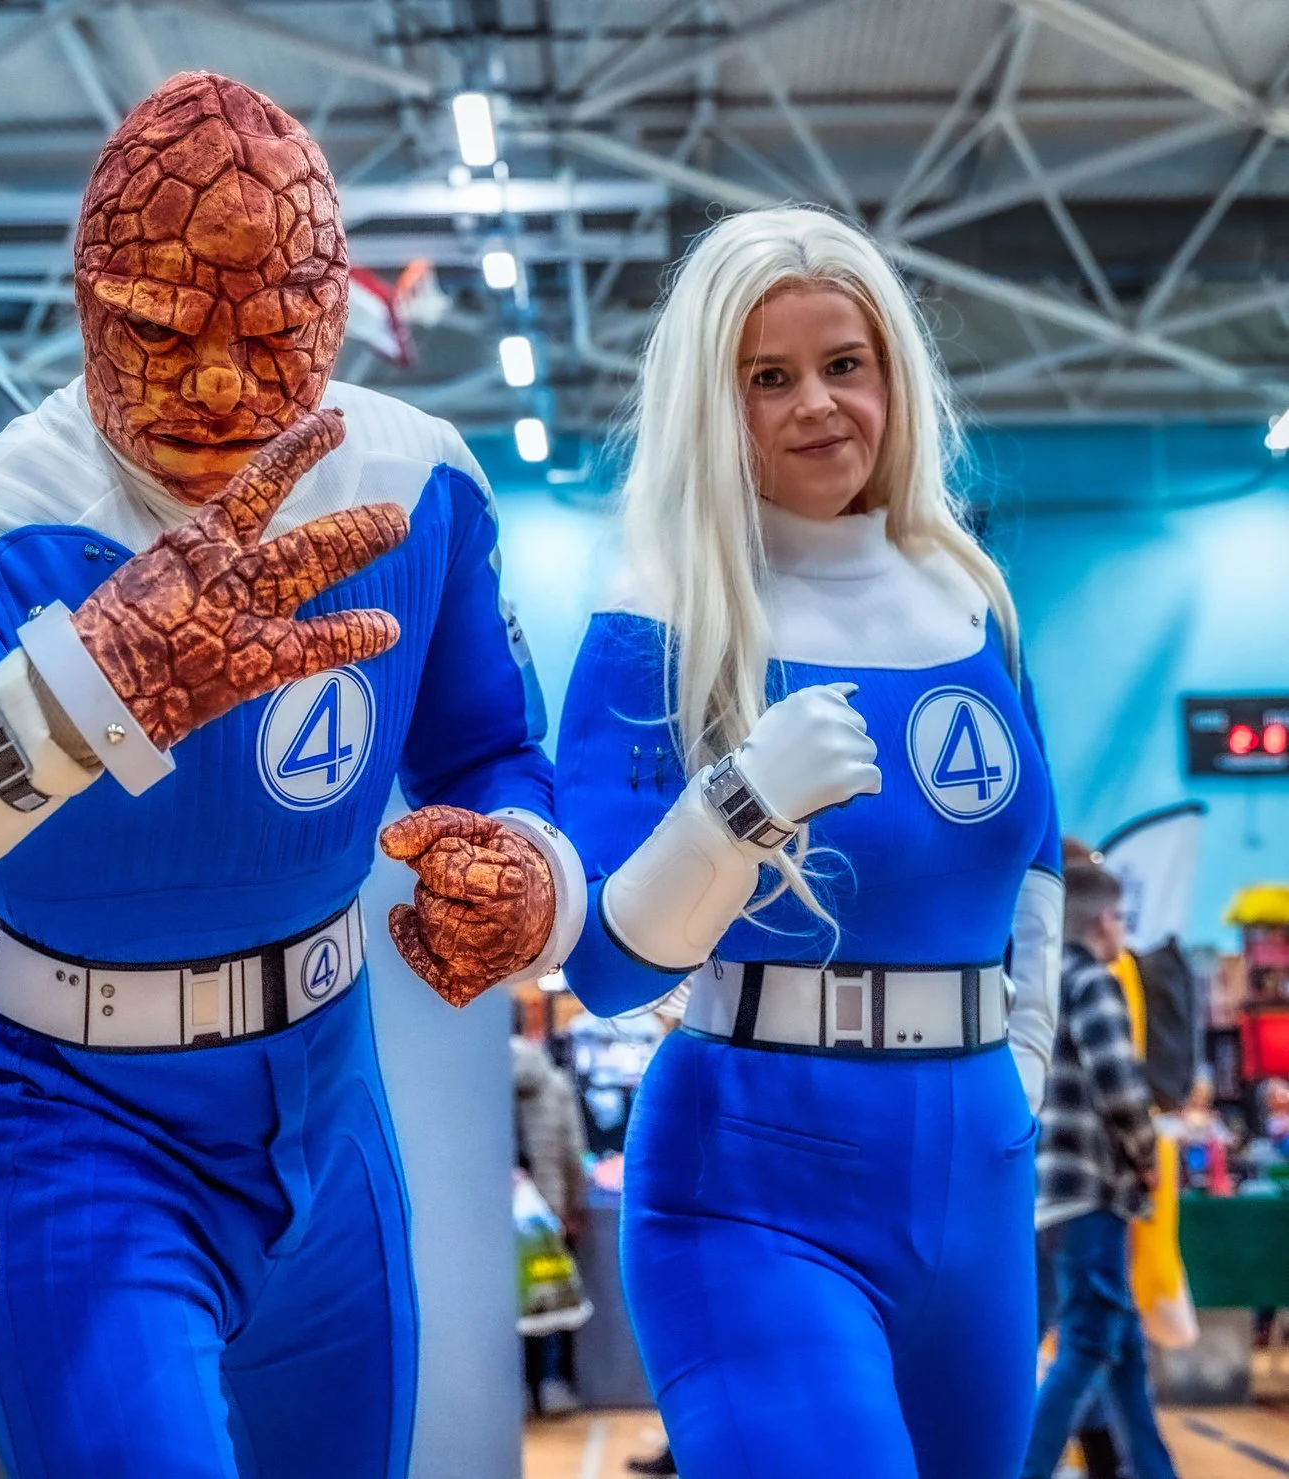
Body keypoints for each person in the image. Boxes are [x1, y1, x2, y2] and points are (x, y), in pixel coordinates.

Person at [0, 73, 585, 1479]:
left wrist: (529, 873)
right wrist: (64, 696)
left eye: (275, 332)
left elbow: (484, 750)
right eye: (162, 332)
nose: (220, 384)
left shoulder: (418, 480)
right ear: (91, 301)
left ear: (335, 308)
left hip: (332, 1115)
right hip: (75, 1137)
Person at [554, 206, 1063, 1478]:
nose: (816, 406)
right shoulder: (653, 625)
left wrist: (1027, 1069)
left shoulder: (969, 602)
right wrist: (735, 806)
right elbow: (608, 967)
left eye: (845, 364)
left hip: (978, 1177)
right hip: (748, 1182)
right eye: (766, 378)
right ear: (707, 407)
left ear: (893, 369)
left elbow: (1038, 860)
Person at [1023, 862, 1179, 1479]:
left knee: (1122, 1351)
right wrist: (1147, 1158)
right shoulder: (1095, 980)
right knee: (1089, 1345)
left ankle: (1156, 1471)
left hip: (1045, 1189)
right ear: (1104, 920)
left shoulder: (1041, 980)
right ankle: (1022, 1468)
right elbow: (1119, 1088)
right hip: (1091, 1191)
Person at [513, 1021, 589, 1415]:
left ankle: (518, 1392)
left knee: (509, 1303)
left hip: (497, 1218)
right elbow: (573, 1152)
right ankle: (556, 1384)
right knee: (554, 1297)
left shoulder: (478, 1080)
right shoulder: (554, 1083)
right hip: (549, 1213)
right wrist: (573, 1208)